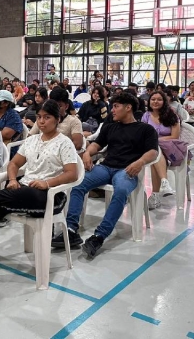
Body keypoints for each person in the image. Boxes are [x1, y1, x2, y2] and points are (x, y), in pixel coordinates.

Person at [0, 99, 79, 287]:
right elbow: (14, 164)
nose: (42, 121)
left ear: (57, 119)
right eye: (39, 117)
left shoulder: (64, 143)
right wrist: (12, 180)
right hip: (24, 190)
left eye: (47, 117)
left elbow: (72, 174)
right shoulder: (31, 141)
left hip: (49, 196)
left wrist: (47, 183)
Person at [51, 92, 159, 257]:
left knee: (121, 191)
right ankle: (71, 229)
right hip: (106, 167)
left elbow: (153, 152)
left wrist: (140, 162)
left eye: (116, 106)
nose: (112, 110)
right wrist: (87, 153)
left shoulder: (145, 129)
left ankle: (99, 235)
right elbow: (97, 145)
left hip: (127, 170)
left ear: (128, 108)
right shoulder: (110, 126)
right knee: (78, 184)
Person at [142, 91, 180, 210]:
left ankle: (155, 194)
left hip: (169, 149)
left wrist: (156, 139)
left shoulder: (171, 115)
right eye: (153, 99)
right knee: (155, 153)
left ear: (164, 101)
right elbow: (141, 133)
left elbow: (175, 136)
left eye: (159, 99)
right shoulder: (146, 115)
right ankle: (164, 183)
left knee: (155, 153)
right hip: (152, 149)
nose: (155, 102)